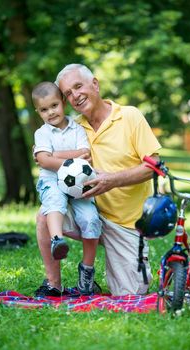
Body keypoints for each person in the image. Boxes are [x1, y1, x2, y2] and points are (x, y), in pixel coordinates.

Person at [35, 64, 161, 297]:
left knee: (132, 293)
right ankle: (53, 283)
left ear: (95, 84)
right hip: (87, 210)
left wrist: (112, 180)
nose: (75, 96)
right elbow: (45, 153)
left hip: (126, 224)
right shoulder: (73, 127)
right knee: (46, 214)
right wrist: (46, 156)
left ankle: (96, 278)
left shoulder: (130, 116)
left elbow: (153, 167)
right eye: (68, 93)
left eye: (78, 86)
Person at [32, 81, 102, 295]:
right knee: (54, 201)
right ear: (38, 112)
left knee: (91, 218)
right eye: (44, 110)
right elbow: (44, 162)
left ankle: (87, 273)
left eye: (54, 106)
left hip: (78, 183)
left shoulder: (77, 129)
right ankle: (56, 240)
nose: (50, 112)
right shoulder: (42, 133)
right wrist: (70, 157)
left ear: (63, 102)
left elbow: (85, 154)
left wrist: (53, 155)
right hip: (51, 181)